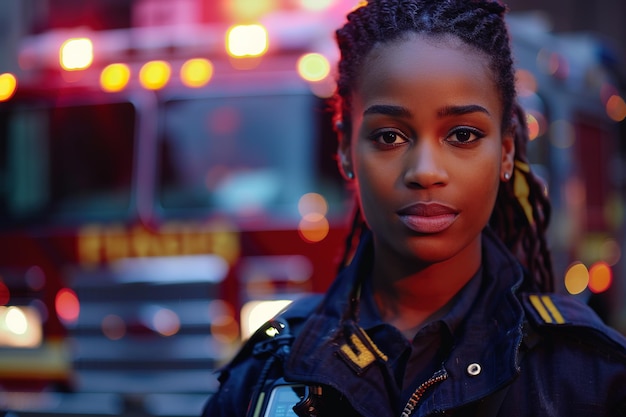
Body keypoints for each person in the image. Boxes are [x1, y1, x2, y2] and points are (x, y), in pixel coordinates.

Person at [202, 0, 626, 416]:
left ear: (505, 153)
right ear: (346, 150)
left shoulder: (593, 376)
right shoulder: (263, 373)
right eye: (389, 137)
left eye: (462, 134)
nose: (425, 172)